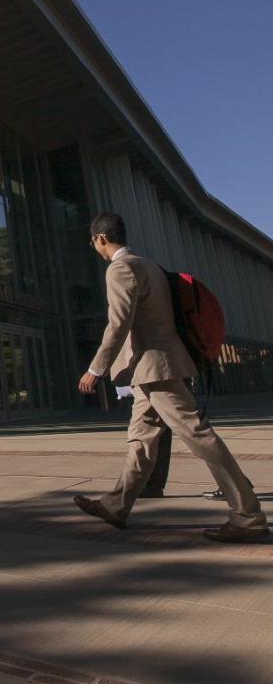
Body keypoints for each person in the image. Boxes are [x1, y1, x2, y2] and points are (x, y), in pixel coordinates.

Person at [73, 212, 268, 543]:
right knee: (141, 441)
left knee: (198, 435)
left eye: (93, 241)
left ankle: (247, 515)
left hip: (155, 368)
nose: (95, 246)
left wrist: (96, 369)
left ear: (101, 238)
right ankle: (116, 506)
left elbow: (118, 323)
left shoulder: (120, 268)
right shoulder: (150, 266)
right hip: (153, 369)